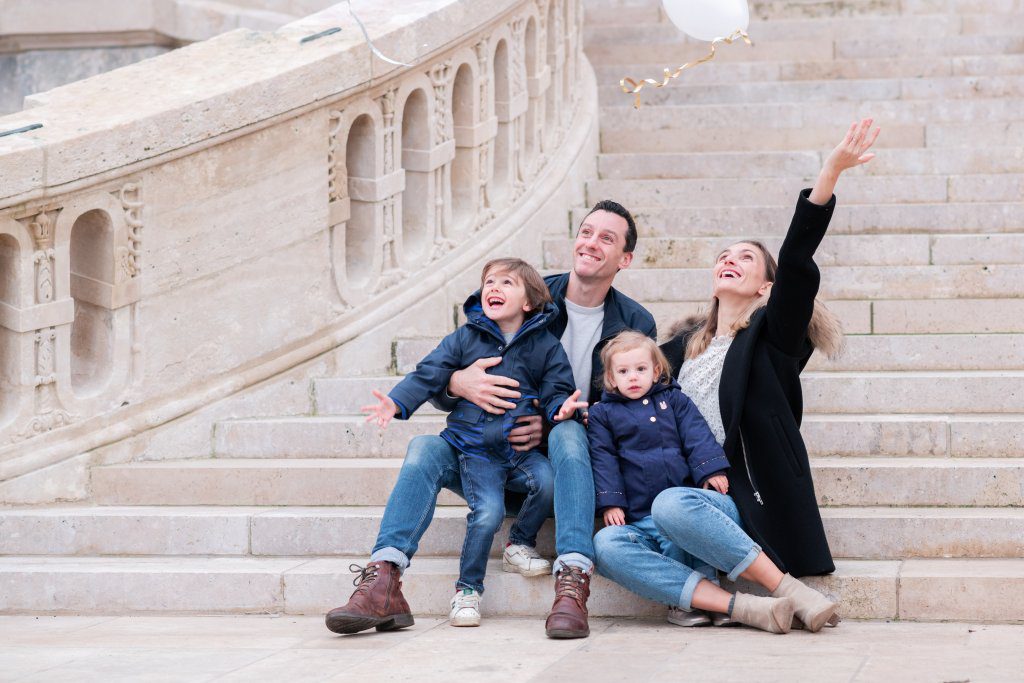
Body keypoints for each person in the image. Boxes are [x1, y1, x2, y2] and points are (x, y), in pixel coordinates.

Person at [593, 118, 880, 634]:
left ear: (766, 287)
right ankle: (742, 608)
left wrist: (830, 173)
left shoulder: (773, 339)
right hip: (668, 500)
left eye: (745, 258)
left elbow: (795, 261)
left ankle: (787, 589)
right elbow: (618, 382)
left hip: (733, 498)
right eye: (723, 255)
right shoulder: (676, 351)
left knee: (672, 504)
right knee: (607, 545)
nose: (730, 260)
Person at [325, 200, 655, 638]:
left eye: (606, 238)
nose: (591, 243)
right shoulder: (531, 296)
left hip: (559, 469)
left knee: (570, 433)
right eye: (586, 231)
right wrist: (457, 384)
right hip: (488, 450)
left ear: (624, 259)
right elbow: (452, 368)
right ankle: (384, 576)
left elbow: (632, 407)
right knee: (425, 448)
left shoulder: (635, 321)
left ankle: (572, 581)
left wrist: (552, 420)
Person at [349, 258, 587, 630]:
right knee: (486, 510)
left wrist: (559, 411)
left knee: (548, 481)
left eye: (506, 282)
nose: (493, 287)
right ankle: (440, 584)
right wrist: (396, 401)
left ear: (529, 302)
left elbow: (556, 389)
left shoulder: (545, 345)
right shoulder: (466, 337)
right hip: (474, 449)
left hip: (519, 452)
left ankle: (518, 544)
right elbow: (430, 372)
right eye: (488, 281)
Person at [589, 331, 740, 626]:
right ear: (610, 377)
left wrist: (710, 469)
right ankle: (683, 604)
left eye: (641, 369)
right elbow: (603, 460)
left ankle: (715, 598)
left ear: (656, 371)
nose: (633, 377)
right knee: (672, 545)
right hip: (642, 509)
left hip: (682, 500)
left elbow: (696, 436)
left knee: (696, 542)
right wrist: (611, 503)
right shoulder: (603, 415)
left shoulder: (674, 400)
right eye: (623, 371)